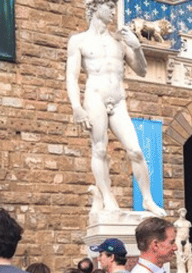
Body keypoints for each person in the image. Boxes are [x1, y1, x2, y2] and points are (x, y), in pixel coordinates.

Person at [66, 0, 166, 217]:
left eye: (113, 7)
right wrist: (76, 107)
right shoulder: (79, 41)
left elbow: (141, 70)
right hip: (95, 98)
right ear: (95, 7)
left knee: (136, 151)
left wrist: (137, 47)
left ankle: (148, 199)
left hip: (118, 100)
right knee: (99, 149)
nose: (113, 11)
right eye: (109, 6)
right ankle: (107, 197)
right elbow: (72, 78)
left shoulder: (119, 42)